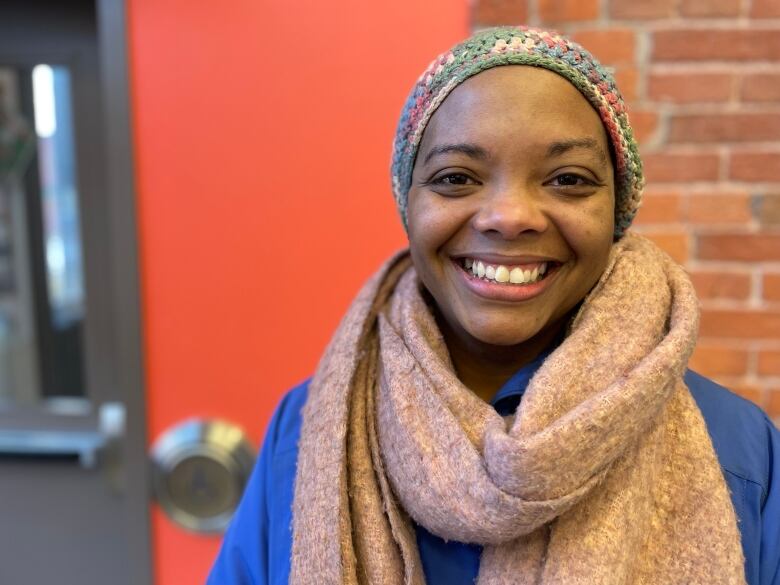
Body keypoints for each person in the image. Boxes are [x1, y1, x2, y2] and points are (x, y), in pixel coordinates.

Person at [209, 26, 780, 585]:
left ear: (618, 211)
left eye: (567, 179)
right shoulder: (308, 430)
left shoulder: (741, 452)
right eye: (456, 177)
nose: (509, 216)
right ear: (407, 203)